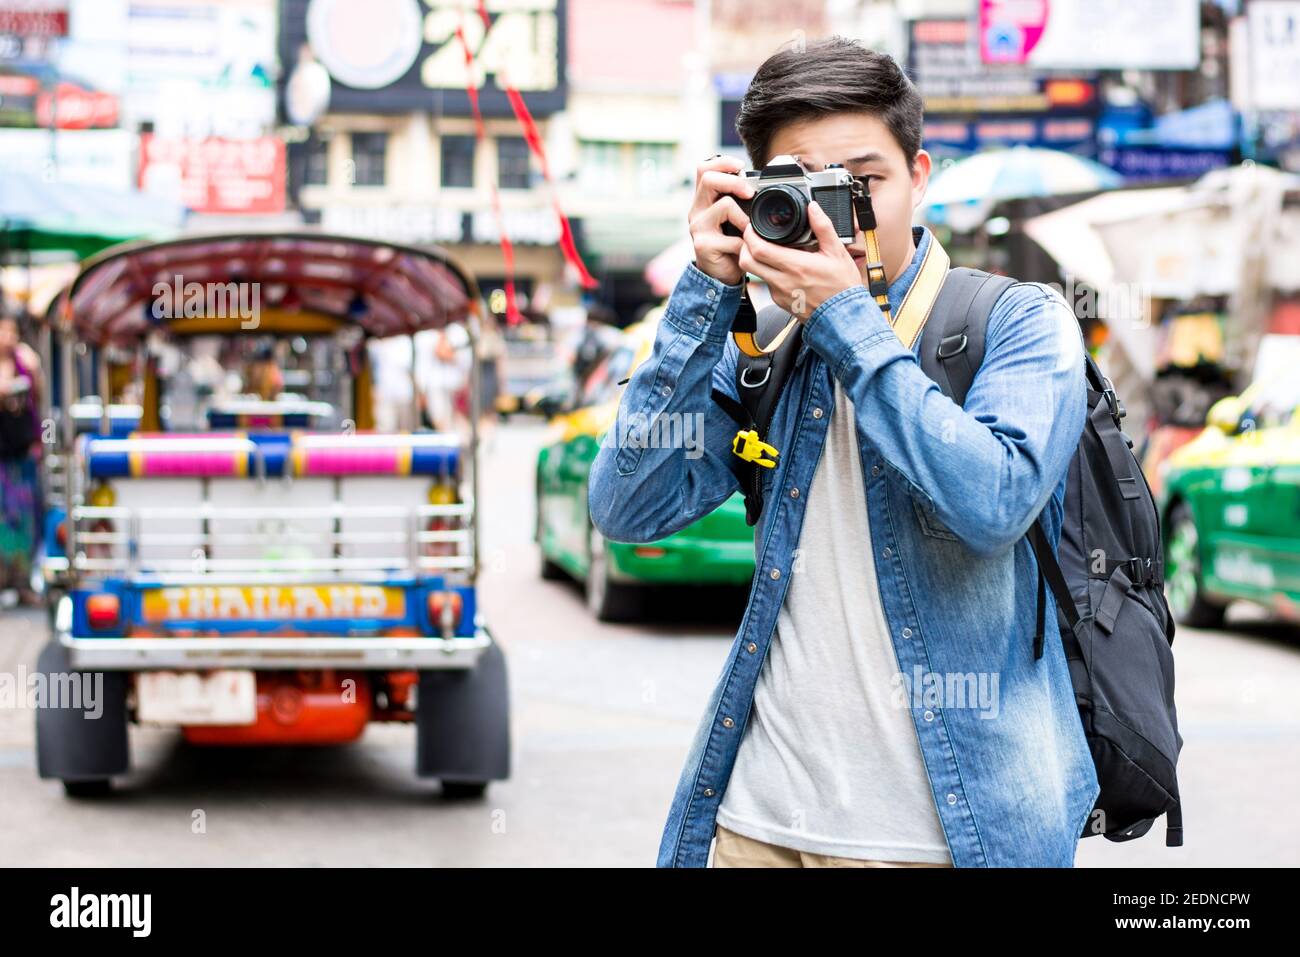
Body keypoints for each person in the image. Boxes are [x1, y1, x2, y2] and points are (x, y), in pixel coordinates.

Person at [587, 37, 1097, 868]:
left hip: (953, 841)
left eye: (863, 183)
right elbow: (625, 504)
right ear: (756, 194)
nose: (836, 217)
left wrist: (846, 322)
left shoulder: (1019, 322)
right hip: (758, 825)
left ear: (920, 175)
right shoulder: (769, 344)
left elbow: (995, 503)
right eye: (803, 188)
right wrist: (706, 291)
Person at [0, 314, 43, 607]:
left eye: (12, 331)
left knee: (25, 521)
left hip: (22, 454)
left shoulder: (25, 361)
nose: (8, 336)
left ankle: (22, 580)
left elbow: (38, 399)